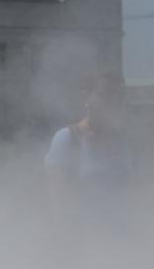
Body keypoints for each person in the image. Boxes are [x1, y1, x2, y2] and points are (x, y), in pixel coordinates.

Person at [45, 69, 131, 236]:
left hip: (121, 240)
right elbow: (58, 200)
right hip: (83, 241)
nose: (112, 102)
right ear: (86, 97)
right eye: (106, 95)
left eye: (119, 96)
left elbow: (131, 196)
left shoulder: (123, 142)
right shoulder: (66, 139)